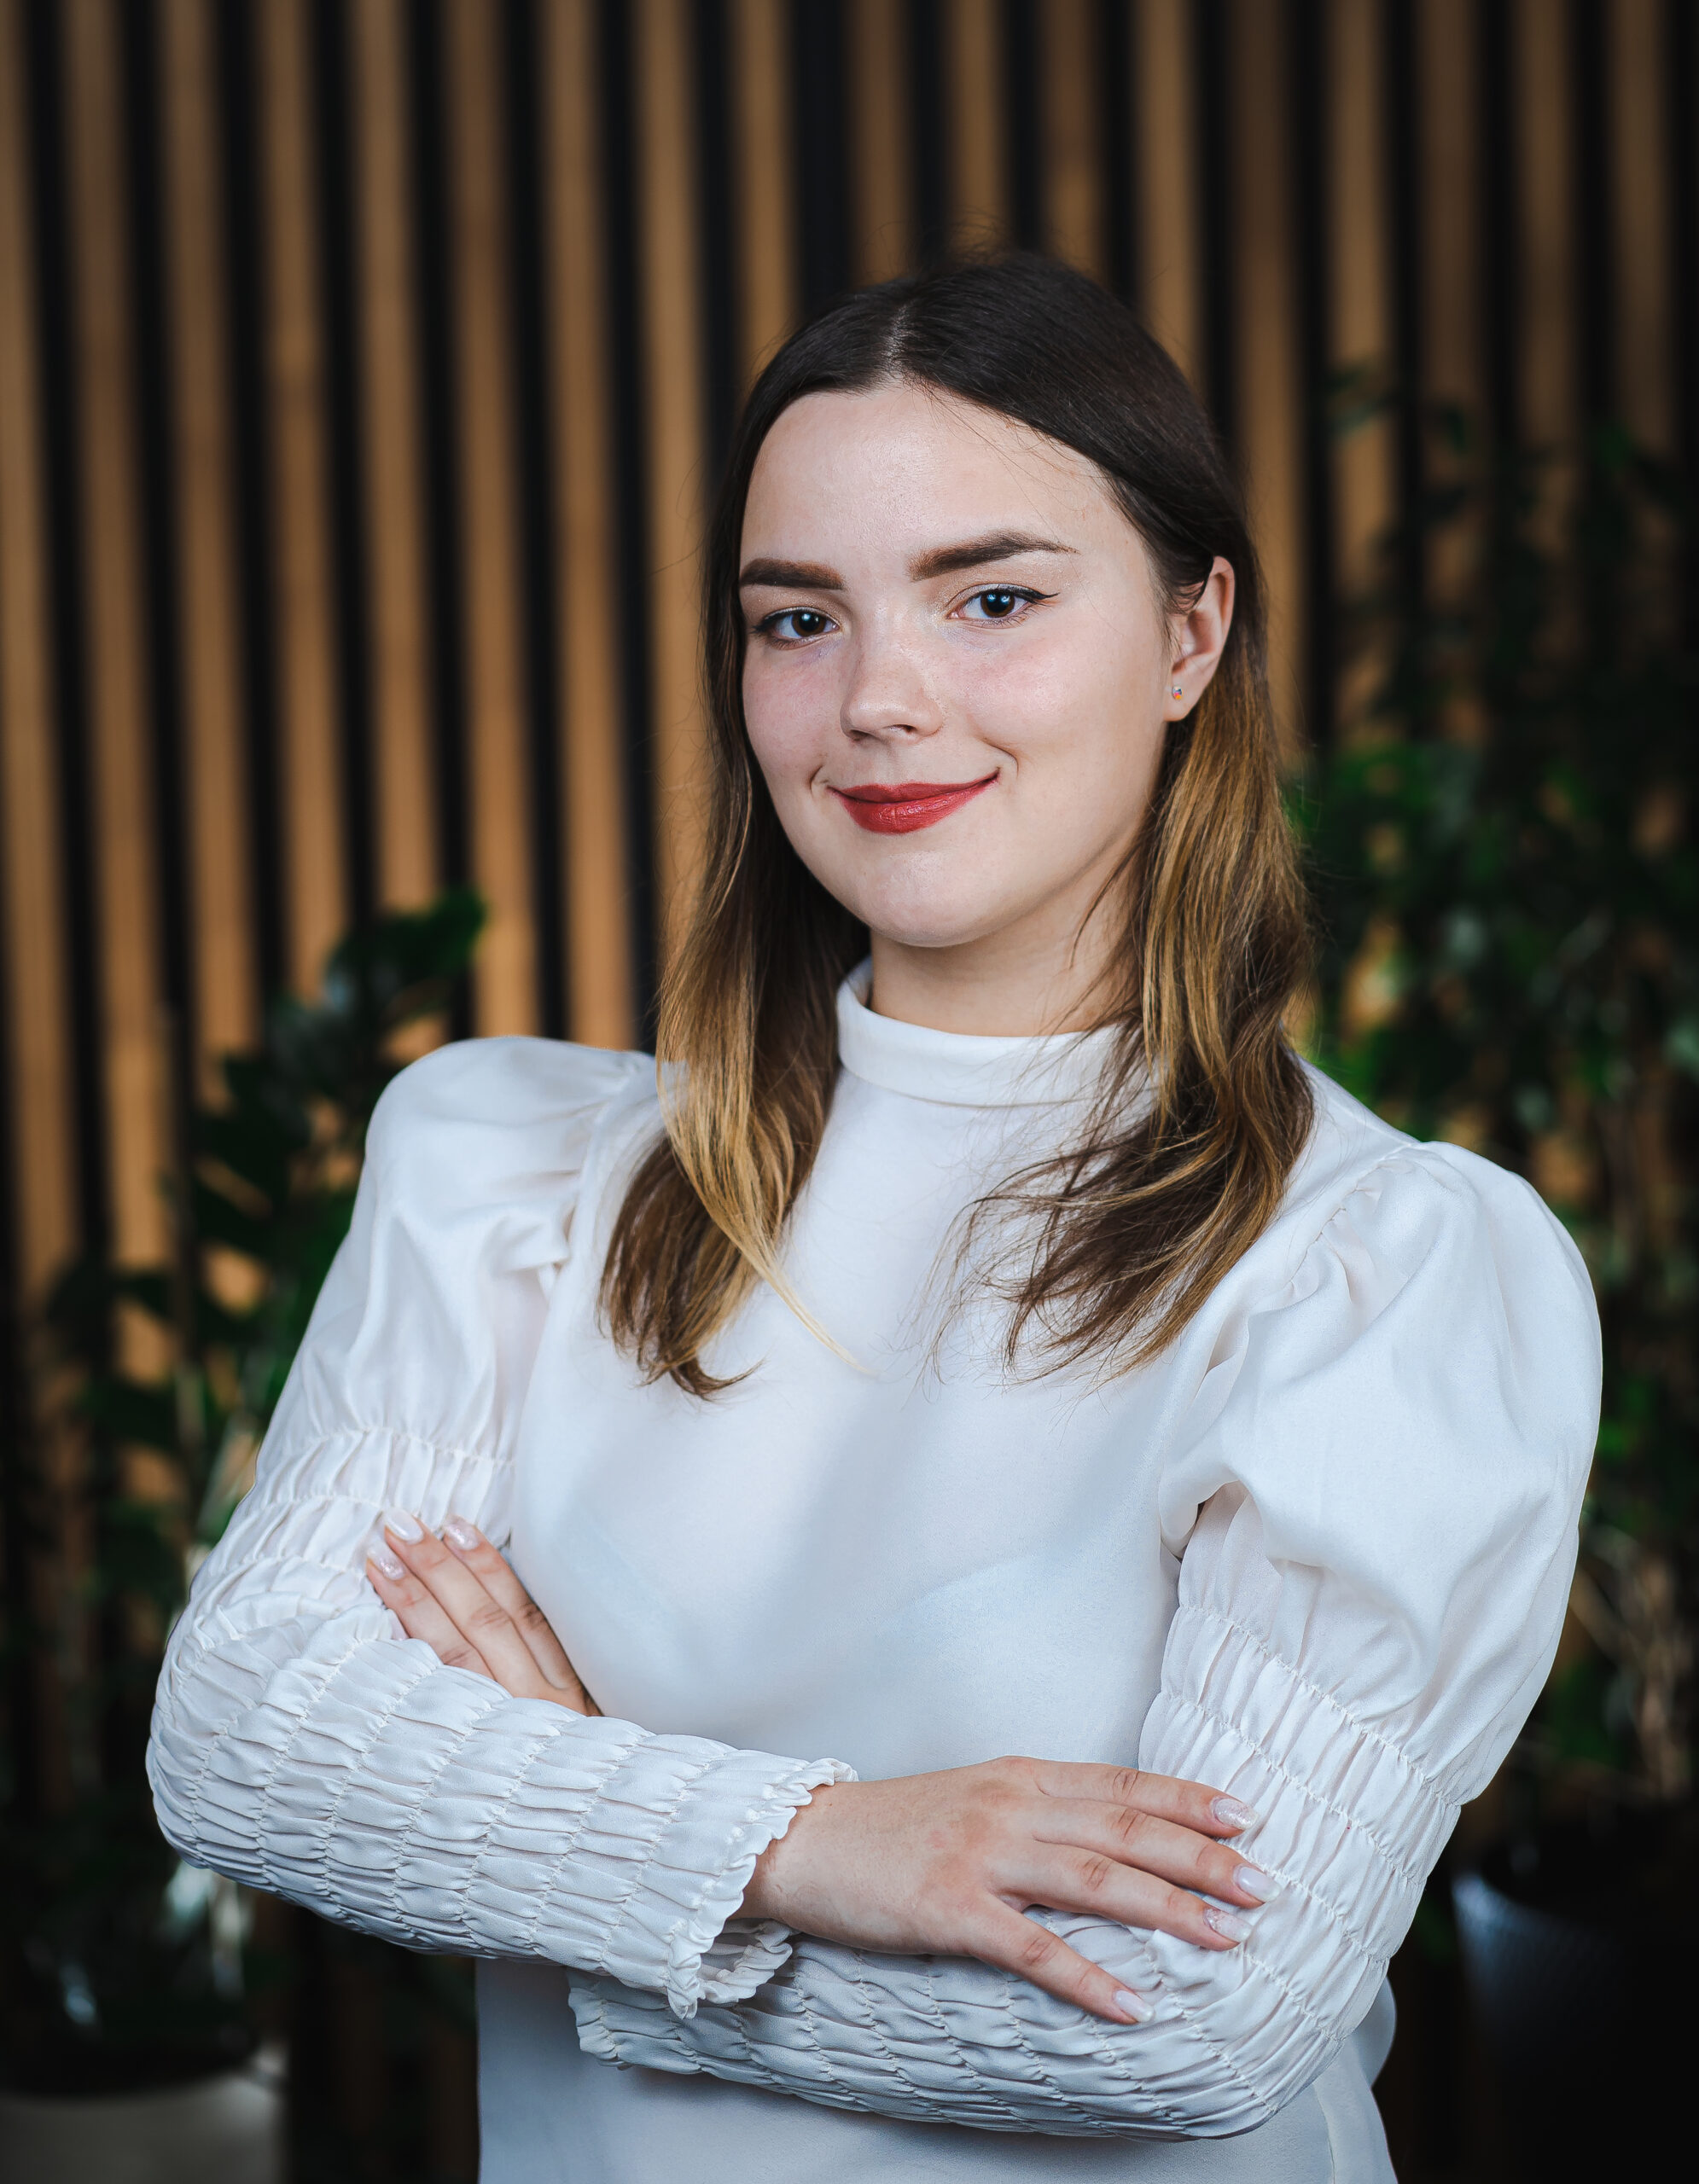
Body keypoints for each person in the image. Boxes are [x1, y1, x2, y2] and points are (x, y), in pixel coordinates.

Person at [148, 257, 1598, 2182]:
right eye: (797, 619)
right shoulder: (513, 1177)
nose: (879, 701)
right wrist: (820, 1843)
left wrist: (580, 1848)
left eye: (993, 598)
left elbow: (1179, 2022)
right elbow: (243, 1742)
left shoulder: (1379, 1268)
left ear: (1191, 633)